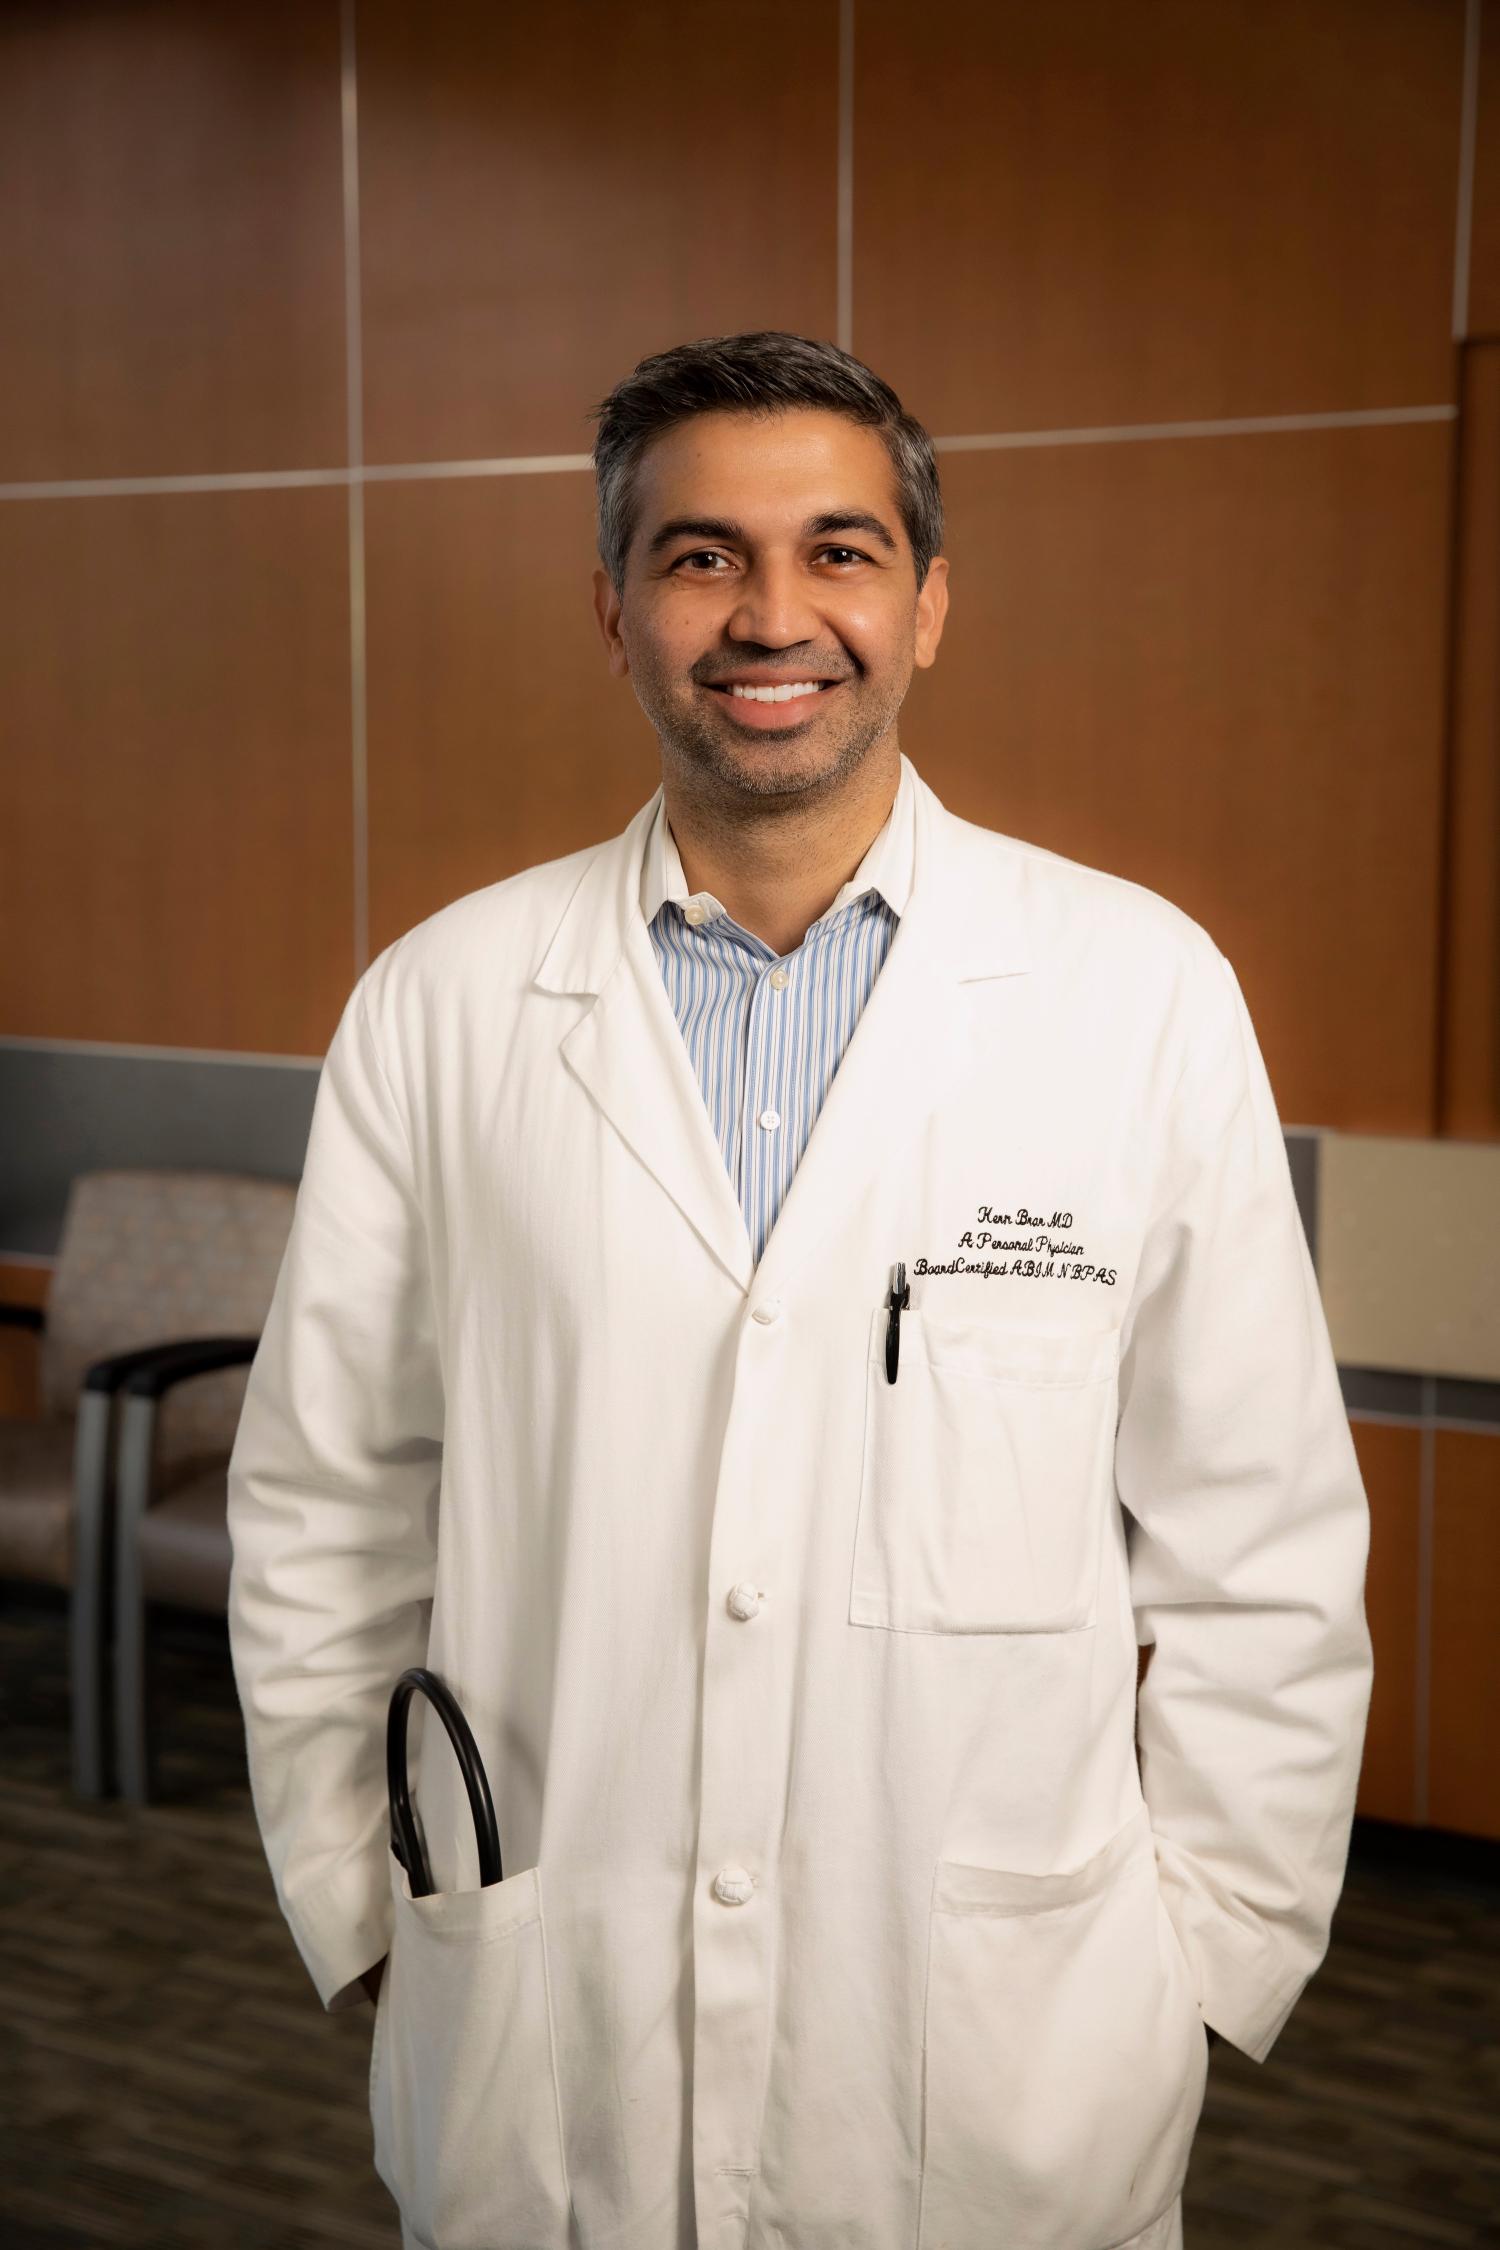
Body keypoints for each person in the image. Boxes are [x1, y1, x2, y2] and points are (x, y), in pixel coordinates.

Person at [226, 331, 1374, 2250]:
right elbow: (325, 1505)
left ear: (929, 605)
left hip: (1007, 2065)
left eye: (840, 551)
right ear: (614, 611)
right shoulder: (440, 1006)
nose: (774, 615)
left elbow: (1261, 1543)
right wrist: (369, 1908)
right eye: (702, 557)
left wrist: (1201, 1958)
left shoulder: (1139, 992)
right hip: (549, 2042)